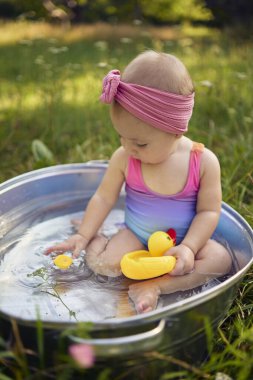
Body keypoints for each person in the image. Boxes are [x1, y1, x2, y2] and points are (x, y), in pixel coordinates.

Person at [46, 50, 232, 314]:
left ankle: (156, 287)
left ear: (176, 129)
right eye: (121, 136)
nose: (127, 147)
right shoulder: (124, 158)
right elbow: (104, 197)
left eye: (140, 142)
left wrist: (189, 247)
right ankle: (96, 240)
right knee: (106, 267)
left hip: (183, 240)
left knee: (220, 260)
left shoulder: (203, 162)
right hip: (136, 233)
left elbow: (209, 211)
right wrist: (83, 234)